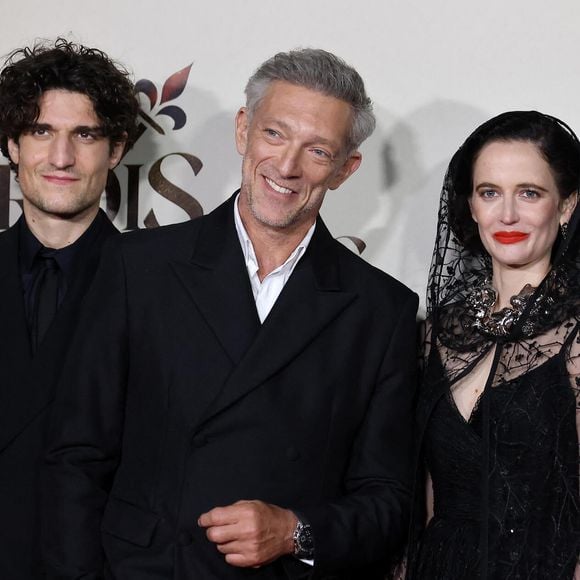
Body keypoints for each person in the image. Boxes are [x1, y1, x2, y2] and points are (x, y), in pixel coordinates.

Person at [43, 48, 418, 579]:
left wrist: (295, 531)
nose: (286, 166)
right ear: (243, 130)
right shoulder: (137, 267)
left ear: (345, 168)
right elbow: (76, 458)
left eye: (317, 150)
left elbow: (388, 502)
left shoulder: (383, 311)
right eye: (274, 134)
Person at [407, 111, 580, 579]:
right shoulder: (437, 331)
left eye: (529, 193)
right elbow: (425, 491)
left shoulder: (578, 335)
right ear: (471, 205)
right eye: (490, 193)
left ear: (565, 206)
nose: (507, 215)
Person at [0, 38, 139, 578]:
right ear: (13, 145)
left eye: (85, 134)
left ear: (117, 149)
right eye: (41, 131)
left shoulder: (161, 288)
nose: (61, 158)